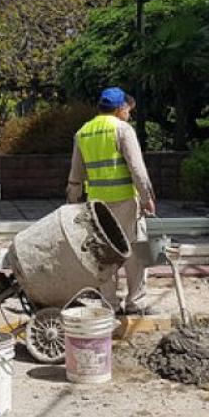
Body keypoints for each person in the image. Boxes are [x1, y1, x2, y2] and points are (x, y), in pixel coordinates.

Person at [67, 87, 156, 314]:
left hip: (98, 207)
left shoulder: (83, 132)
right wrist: (147, 197)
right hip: (126, 201)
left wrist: (73, 202)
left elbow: (76, 174)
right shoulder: (122, 129)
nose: (130, 114)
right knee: (138, 250)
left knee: (104, 253)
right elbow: (137, 169)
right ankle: (136, 302)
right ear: (120, 108)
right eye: (128, 110)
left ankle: (109, 304)